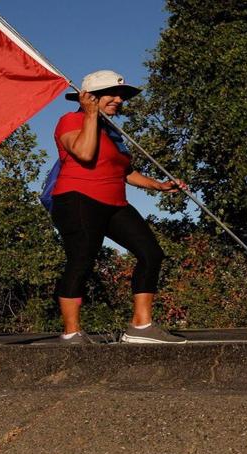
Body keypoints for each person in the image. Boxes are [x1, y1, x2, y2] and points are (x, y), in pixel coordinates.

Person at [49, 70, 188, 344]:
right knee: (82, 261)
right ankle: (71, 333)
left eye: (120, 95)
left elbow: (125, 172)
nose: (118, 100)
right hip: (78, 198)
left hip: (114, 203)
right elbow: (86, 154)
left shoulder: (113, 133)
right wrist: (89, 114)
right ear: (89, 97)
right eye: (111, 94)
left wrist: (159, 186)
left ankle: (140, 326)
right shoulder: (71, 120)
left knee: (151, 253)